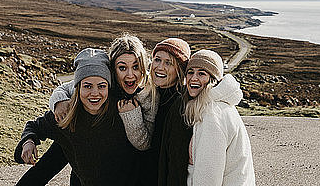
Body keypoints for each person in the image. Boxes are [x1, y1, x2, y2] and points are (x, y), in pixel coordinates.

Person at [16, 34, 148, 186]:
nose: (95, 92)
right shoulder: (69, 113)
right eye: (122, 67)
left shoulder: (134, 104)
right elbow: (48, 160)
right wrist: (29, 140)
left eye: (136, 66)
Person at [159, 49, 255, 186]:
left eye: (202, 73)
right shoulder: (218, 106)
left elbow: (208, 176)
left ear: (213, 79)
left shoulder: (212, 115)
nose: (194, 78)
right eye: (190, 72)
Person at [118, 37, 191, 185]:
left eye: (168, 63)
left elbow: (176, 162)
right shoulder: (150, 93)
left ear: (180, 70)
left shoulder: (180, 105)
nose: (160, 67)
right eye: (157, 60)